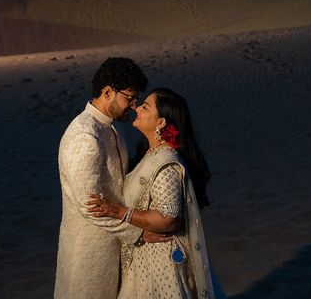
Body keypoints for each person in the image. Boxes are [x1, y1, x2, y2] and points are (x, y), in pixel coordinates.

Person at [87, 88, 226, 299]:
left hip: (161, 263)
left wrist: (117, 211)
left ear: (161, 122)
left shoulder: (166, 163)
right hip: (145, 256)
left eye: (145, 107)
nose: (137, 108)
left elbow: (168, 219)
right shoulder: (150, 154)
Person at [55, 57, 171, 299]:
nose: (133, 105)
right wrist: (138, 233)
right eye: (129, 98)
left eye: (136, 99)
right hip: (88, 255)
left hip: (115, 249)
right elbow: (90, 208)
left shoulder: (112, 129)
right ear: (108, 92)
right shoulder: (84, 137)